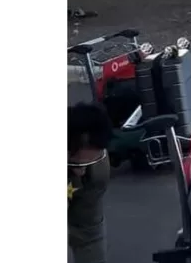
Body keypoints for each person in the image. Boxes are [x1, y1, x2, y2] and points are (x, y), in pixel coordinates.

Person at [68, 102, 114, 263]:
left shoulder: (99, 171)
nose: (80, 171)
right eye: (74, 164)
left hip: (84, 223)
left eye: (86, 165)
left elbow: (89, 235)